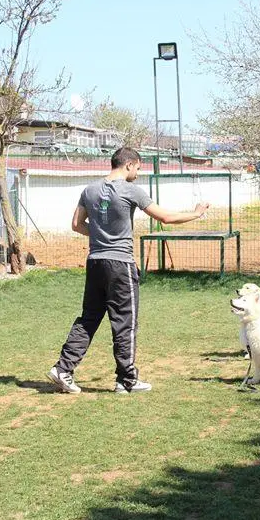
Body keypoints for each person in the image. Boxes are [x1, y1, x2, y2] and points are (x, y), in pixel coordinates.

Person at [48, 147, 209, 394]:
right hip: (120, 265)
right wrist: (196, 214)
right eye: (138, 167)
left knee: (89, 318)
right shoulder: (131, 190)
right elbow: (164, 218)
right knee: (125, 322)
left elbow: (76, 224)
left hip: (95, 262)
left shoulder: (89, 190)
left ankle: (63, 369)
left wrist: (101, 236)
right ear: (129, 165)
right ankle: (126, 380)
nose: (139, 172)